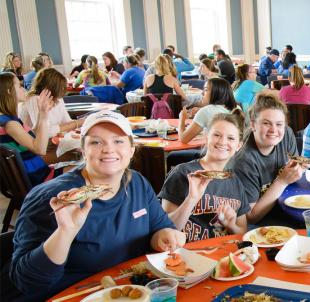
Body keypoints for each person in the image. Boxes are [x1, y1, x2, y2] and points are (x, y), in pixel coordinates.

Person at [10, 111, 186, 301]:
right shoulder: (53, 198)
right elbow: (26, 282)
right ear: (83, 150)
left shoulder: (137, 183)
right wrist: (65, 232)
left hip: (128, 292)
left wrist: (163, 236)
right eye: (96, 142)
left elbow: (159, 227)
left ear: (132, 149)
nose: (108, 149)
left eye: (118, 141)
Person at [160, 112, 249, 242]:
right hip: (184, 254)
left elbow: (243, 231)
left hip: (221, 254)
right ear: (206, 138)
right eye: (217, 135)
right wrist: (191, 199)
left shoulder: (236, 182)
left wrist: (231, 226)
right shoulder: (183, 173)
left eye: (231, 138)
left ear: (238, 146)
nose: (223, 142)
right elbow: (164, 231)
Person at [229, 93, 305, 226]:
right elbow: (251, 217)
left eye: (279, 124)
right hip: (264, 223)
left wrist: (298, 170)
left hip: (287, 205)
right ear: (253, 125)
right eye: (266, 123)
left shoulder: (286, 133)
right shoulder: (243, 160)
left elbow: (295, 172)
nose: (274, 130)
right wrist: (282, 181)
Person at [0, 72, 53, 186]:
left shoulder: (7, 120)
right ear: (9, 91)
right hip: (38, 179)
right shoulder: (10, 124)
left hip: (33, 174)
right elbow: (40, 149)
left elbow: (32, 135)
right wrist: (43, 114)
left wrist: (41, 111)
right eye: (19, 86)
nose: (23, 89)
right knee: (88, 169)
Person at [21, 68, 83, 137]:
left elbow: (67, 121)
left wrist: (81, 123)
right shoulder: (33, 99)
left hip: (54, 140)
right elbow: (44, 132)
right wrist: (75, 124)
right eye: (60, 87)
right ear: (52, 88)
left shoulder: (58, 98)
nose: (63, 91)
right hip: (36, 143)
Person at [179, 78, 239, 144]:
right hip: (232, 151)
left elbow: (183, 139)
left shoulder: (206, 111)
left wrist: (182, 118)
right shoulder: (237, 108)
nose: (202, 93)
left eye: (206, 90)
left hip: (212, 152)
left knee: (173, 154)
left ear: (216, 93)